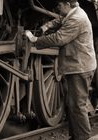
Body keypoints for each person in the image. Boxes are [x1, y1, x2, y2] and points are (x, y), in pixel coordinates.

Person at [24, 0, 97, 140]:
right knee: (72, 103)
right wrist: (45, 27)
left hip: (80, 67)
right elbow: (59, 20)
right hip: (75, 66)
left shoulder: (77, 18)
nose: (57, 8)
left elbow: (59, 38)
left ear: (68, 4)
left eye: (59, 5)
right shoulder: (72, 12)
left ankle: (82, 137)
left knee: (77, 105)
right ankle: (76, 136)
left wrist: (35, 40)